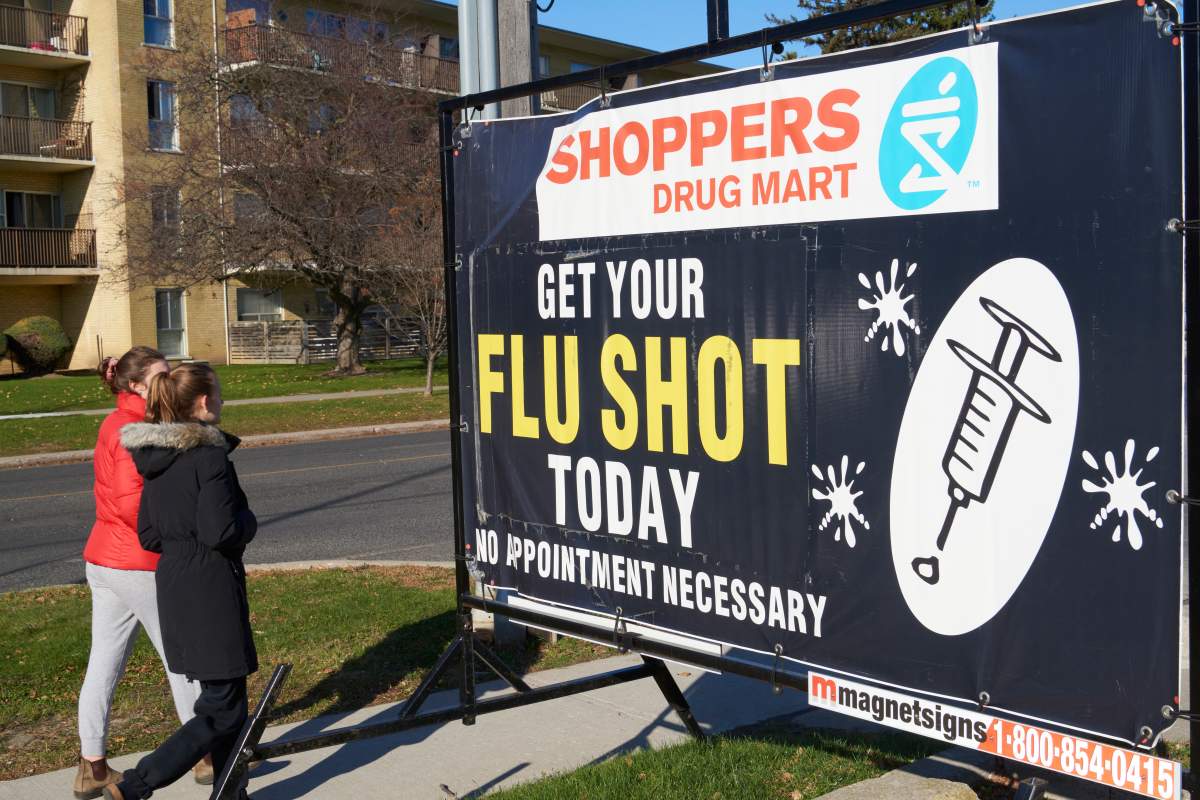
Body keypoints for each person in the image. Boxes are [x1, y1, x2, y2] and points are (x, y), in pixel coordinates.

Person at [106, 363, 258, 800]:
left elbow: (150, 533)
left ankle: (232, 793)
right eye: (221, 395)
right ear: (205, 402)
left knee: (226, 697)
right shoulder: (208, 456)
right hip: (210, 588)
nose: (224, 402)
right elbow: (220, 532)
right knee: (222, 710)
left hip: (174, 584)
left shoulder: (157, 457)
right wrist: (248, 522)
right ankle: (138, 783)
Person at [75, 348, 208, 800]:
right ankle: (204, 752)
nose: (168, 381)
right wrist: (177, 536)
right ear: (134, 384)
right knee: (184, 659)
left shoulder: (115, 422)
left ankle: (93, 766)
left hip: (105, 559)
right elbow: (132, 502)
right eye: (161, 375)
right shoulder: (137, 430)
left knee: (104, 662)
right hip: (138, 563)